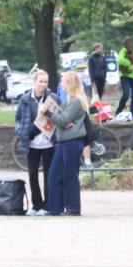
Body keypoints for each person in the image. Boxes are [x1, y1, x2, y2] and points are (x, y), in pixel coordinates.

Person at [38, 71, 87, 216]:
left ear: (70, 83)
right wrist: (60, 120)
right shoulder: (67, 101)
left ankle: (73, 208)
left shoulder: (76, 101)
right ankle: (55, 207)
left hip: (72, 142)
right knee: (54, 175)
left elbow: (63, 120)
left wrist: (48, 113)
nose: (61, 84)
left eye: (64, 81)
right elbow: (62, 120)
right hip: (63, 141)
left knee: (70, 175)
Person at [16, 70, 55, 215]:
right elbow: (18, 118)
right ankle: (36, 205)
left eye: (46, 82)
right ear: (34, 82)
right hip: (31, 144)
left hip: (49, 144)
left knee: (48, 176)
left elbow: (60, 116)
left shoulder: (52, 97)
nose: (43, 84)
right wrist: (20, 131)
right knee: (32, 175)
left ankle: (47, 206)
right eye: (41, 81)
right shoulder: (25, 99)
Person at [116, 37, 133, 118]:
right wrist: (131, 63)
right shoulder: (122, 51)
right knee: (126, 94)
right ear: (125, 45)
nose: (130, 45)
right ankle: (119, 110)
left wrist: (130, 67)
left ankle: (132, 112)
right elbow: (120, 60)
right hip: (125, 76)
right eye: (128, 43)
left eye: (131, 43)